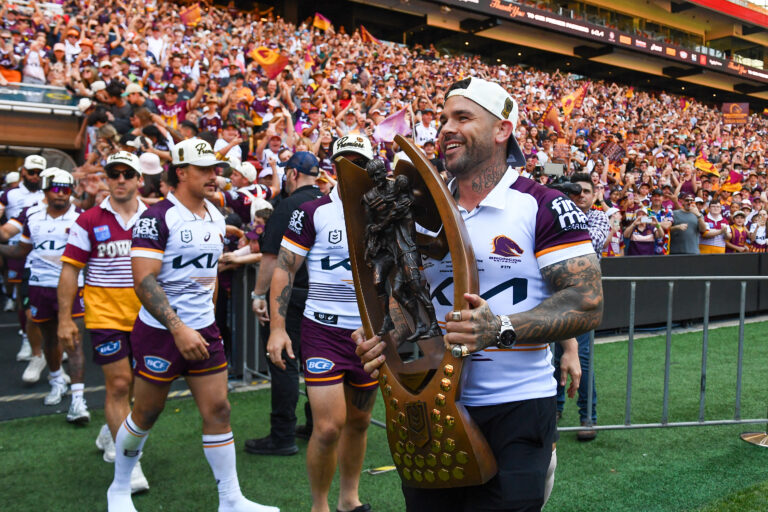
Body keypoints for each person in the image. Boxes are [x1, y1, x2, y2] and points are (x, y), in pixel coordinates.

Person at [354, 77, 599, 511]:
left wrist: (500, 327)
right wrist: (385, 337)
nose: (445, 127)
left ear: (503, 130)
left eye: (462, 117)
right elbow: (409, 300)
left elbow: (585, 301)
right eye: (443, 118)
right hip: (428, 405)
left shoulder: (542, 205)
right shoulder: (416, 211)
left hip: (517, 409)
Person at [107, 138, 278, 512]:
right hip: (160, 333)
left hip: (203, 329)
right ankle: (119, 488)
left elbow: (209, 275)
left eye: (215, 168)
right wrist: (179, 328)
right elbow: (144, 281)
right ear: (180, 172)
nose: (214, 176)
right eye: (204, 169)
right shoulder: (156, 218)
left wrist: (205, 320)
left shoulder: (216, 216)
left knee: (219, 410)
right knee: (146, 413)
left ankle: (231, 500)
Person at [265, 139, 377, 512]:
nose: (352, 168)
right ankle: (319, 506)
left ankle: (349, 499)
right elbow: (284, 268)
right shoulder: (313, 211)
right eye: (345, 161)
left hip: (368, 336)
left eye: (359, 162)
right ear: (334, 166)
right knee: (328, 427)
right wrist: (278, 329)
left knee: (359, 422)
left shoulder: (383, 214)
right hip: (322, 332)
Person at [58, 152, 149, 492]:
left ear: (140, 179)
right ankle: (131, 463)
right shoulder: (88, 220)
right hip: (105, 316)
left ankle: (109, 431)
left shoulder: (155, 219)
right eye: (115, 174)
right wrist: (65, 319)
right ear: (107, 179)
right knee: (120, 385)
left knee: (146, 392)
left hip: (147, 318)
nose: (121, 179)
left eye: (128, 174)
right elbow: (70, 270)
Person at [246, 152, 323, 456]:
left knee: (283, 361)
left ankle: (282, 435)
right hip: (320, 295)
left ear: (291, 174)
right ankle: (317, 424)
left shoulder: (288, 205)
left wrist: (258, 294)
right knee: (317, 362)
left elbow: (271, 258)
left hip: (290, 295)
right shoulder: (328, 203)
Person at [0, 169, 89, 422]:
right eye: (56, 188)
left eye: (66, 189)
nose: (61, 194)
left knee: (73, 339)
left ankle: (78, 401)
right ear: (46, 190)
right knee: (50, 339)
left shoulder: (82, 218)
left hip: (72, 287)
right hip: (39, 285)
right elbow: (21, 250)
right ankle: (56, 380)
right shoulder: (32, 215)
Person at [554, 172, 609, 441]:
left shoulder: (598, 216)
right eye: (576, 191)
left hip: (584, 297)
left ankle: (588, 416)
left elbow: (591, 241)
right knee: (552, 357)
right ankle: (554, 409)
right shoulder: (556, 213)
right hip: (553, 293)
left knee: (582, 359)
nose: (582, 195)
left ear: (594, 194)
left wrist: (564, 211)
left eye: (587, 191)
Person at [0, 154, 45, 366]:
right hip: (17, 248)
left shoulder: (50, 194)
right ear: (23, 172)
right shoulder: (10, 194)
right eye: (32, 172)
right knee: (22, 297)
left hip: (44, 249)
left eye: (39, 173)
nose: (35, 176)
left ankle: (49, 343)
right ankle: (28, 339)